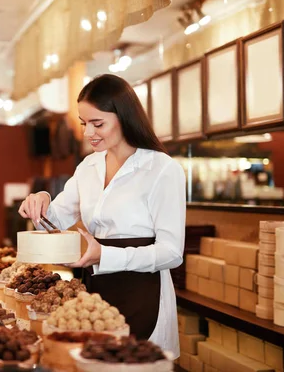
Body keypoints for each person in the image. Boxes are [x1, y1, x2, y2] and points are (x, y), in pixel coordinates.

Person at [18, 74, 186, 357]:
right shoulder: (89, 166)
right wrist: (42, 200)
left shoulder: (162, 169)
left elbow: (172, 253)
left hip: (143, 291)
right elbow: (54, 220)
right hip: (94, 295)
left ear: (125, 117)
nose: (88, 133)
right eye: (84, 124)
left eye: (98, 123)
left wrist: (104, 255)